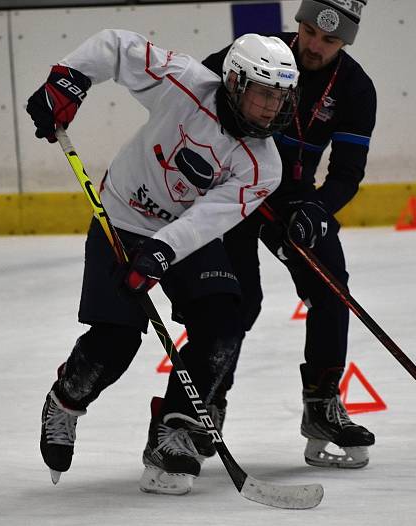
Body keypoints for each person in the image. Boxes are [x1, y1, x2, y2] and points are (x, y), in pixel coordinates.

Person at [26, 29, 299, 495]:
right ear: (233, 82)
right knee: (116, 341)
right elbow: (115, 46)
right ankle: (67, 399)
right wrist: (68, 79)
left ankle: (173, 434)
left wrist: (163, 251)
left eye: (280, 97)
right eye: (262, 94)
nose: (272, 108)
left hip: (183, 236)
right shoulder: (186, 83)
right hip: (120, 218)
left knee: (222, 324)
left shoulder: (264, 165)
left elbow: (210, 219)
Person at [201, 0, 377, 468]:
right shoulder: (256, 52)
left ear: (346, 42)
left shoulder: (356, 89)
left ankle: (321, 406)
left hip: (291, 193)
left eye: (330, 40)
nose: (314, 47)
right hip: (232, 188)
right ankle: (202, 404)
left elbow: (346, 173)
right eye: (309, 32)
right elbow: (189, 107)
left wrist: (318, 209)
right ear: (298, 23)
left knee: (331, 287)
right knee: (238, 299)